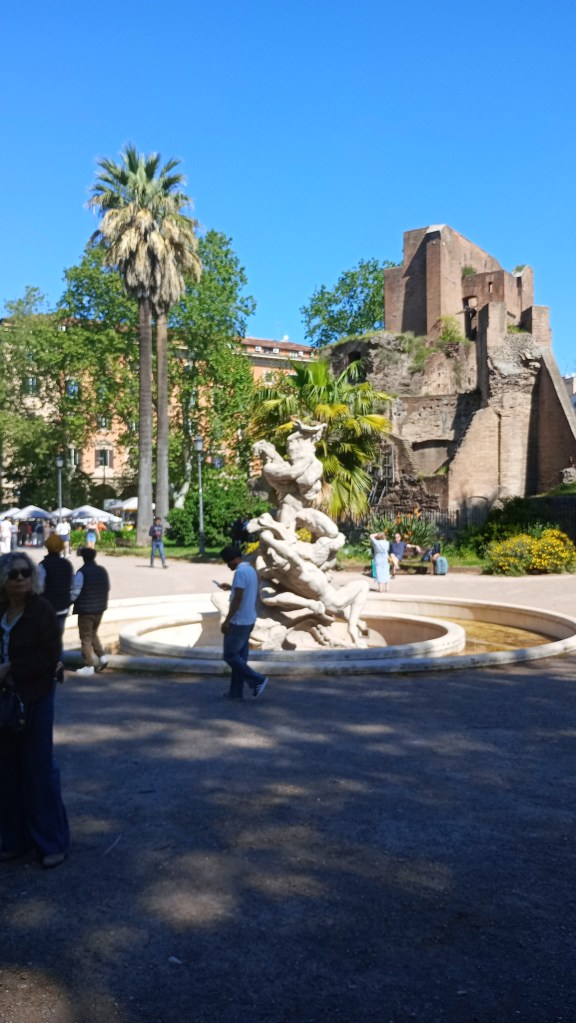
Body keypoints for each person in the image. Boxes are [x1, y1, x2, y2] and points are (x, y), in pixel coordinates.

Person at [0, 551, 69, 867]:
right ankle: (15, 839)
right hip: (4, 701)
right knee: (7, 772)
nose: (20, 578)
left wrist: (11, 668)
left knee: (39, 770)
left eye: (25, 572)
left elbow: (49, 656)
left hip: (35, 697)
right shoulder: (1, 610)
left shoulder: (41, 611)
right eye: (13, 574)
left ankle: (50, 843)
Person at [219, 545, 269, 700]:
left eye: (228, 562)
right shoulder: (250, 570)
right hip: (249, 619)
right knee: (239, 659)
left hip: (239, 621)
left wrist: (227, 621)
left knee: (230, 656)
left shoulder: (240, 572)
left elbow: (238, 598)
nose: (228, 566)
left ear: (234, 560)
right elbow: (243, 590)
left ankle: (257, 680)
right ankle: (235, 692)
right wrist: (231, 588)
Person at [71, 547, 110, 676]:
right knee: (93, 633)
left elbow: (76, 591)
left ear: (83, 558)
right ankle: (102, 657)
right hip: (100, 607)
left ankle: (89, 665)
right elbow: (107, 587)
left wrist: (69, 601)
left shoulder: (82, 572)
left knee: (85, 637)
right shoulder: (102, 570)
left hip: (86, 609)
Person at [38, 534, 73, 649]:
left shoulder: (43, 565)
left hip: (47, 607)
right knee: (58, 639)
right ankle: (58, 663)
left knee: (45, 640)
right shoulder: (67, 564)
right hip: (63, 606)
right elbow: (72, 584)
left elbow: (39, 586)